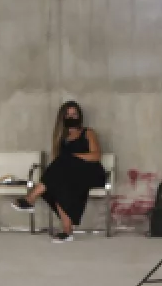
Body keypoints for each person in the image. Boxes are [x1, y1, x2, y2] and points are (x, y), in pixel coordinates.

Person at [13, 100, 107, 242]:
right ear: (63, 118)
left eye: (74, 114)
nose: (72, 117)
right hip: (72, 176)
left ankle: (31, 198)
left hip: (92, 173)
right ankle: (67, 231)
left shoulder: (88, 132)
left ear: (79, 116)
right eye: (68, 115)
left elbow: (96, 156)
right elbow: (59, 165)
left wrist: (73, 157)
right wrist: (67, 161)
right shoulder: (62, 138)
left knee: (61, 167)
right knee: (57, 185)